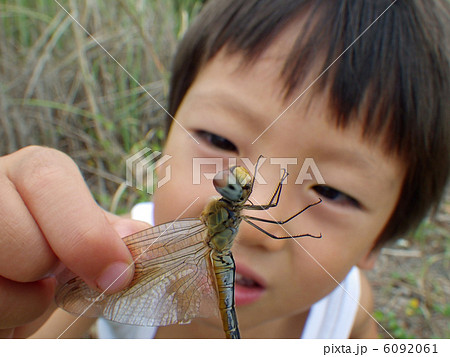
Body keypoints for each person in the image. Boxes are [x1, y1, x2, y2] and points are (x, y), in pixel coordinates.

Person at [0, 0, 448, 339]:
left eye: (332, 191)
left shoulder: (346, 315)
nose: (260, 226)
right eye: (219, 142)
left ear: (380, 239)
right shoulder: (118, 259)